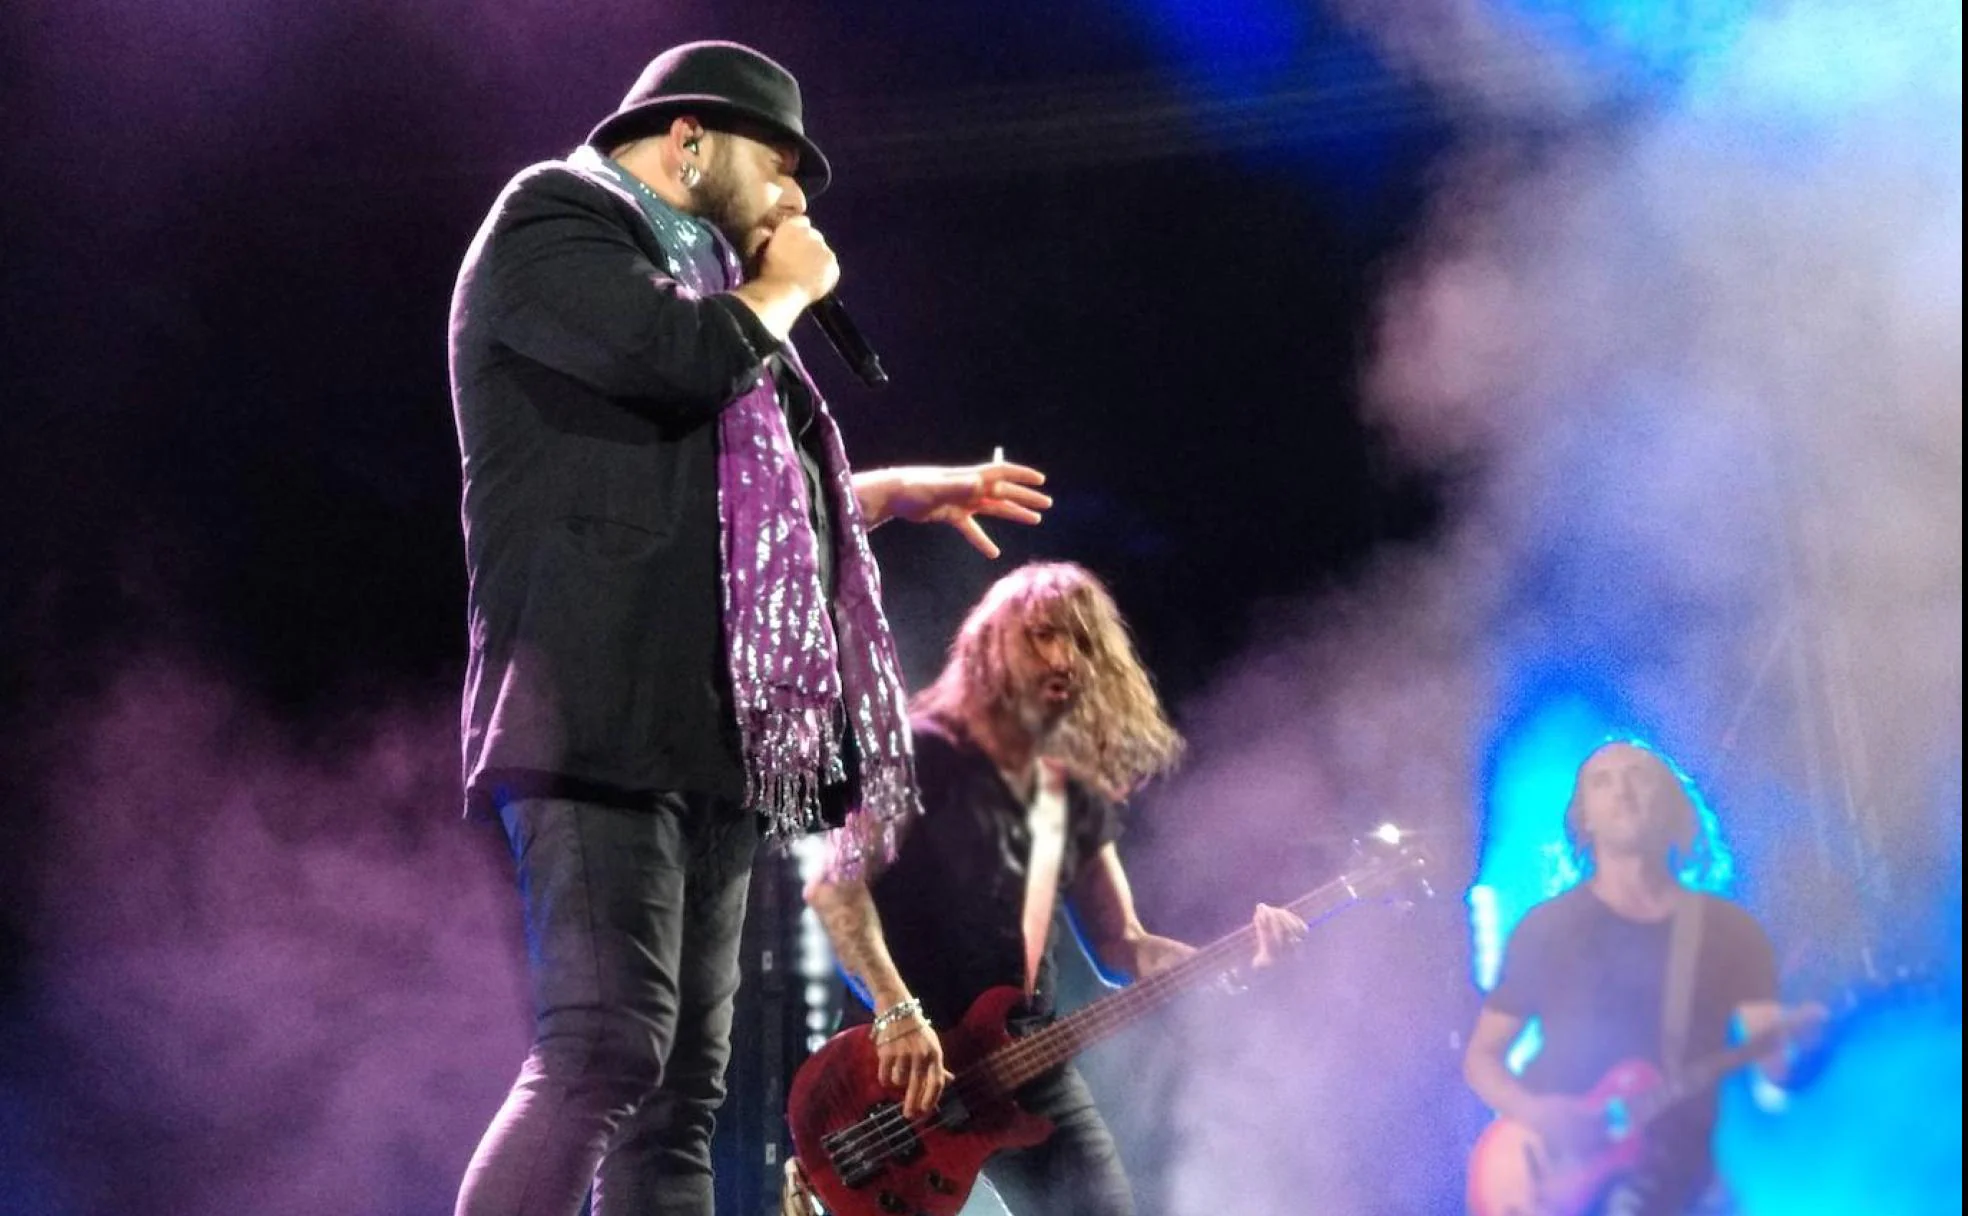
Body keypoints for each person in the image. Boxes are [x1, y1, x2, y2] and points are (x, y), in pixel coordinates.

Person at [447, 40, 1051, 1216]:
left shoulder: (713, 295)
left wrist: (896, 492)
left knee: (678, 1101)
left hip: (710, 735)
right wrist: (788, 289)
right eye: (780, 170)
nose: (794, 203)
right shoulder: (557, 217)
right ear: (687, 141)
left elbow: (744, 506)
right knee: (604, 1048)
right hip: (592, 700)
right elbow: (673, 361)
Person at [801, 562, 1306, 1216]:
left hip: (1024, 1063)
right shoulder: (918, 751)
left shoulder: (1070, 794)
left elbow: (1123, 944)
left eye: (1081, 643)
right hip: (894, 1079)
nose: (1064, 657)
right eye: (1042, 635)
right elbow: (836, 889)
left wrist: (1228, 956)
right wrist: (897, 1011)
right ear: (989, 648)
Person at [1463, 740, 1817, 1216]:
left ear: (1672, 803)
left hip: (1679, 1181)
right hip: (1557, 1175)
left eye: (1638, 776)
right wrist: (1537, 1114)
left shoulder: (1731, 931)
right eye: (1602, 783)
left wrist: (1808, 1050)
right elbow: (1482, 1059)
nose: (1623, 792)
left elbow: (1774, 1070)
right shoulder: (1547, 928)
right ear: (1583, 816)